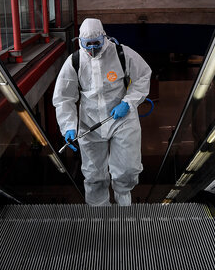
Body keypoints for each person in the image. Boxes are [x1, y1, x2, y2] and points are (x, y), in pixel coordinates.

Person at [53, 18, 151, 206]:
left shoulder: (121, 53)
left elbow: (143, 75)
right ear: (79, 41)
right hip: (90, 123)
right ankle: (99, 216)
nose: (91, 49)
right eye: (86, 45)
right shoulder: (74, 61)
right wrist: (68, 128)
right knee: (93, 174)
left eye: (96, 44)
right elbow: (64, 98)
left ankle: (124, 204)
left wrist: (128, 102)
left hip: (122, 120)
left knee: (128, 169)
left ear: (104, 38)